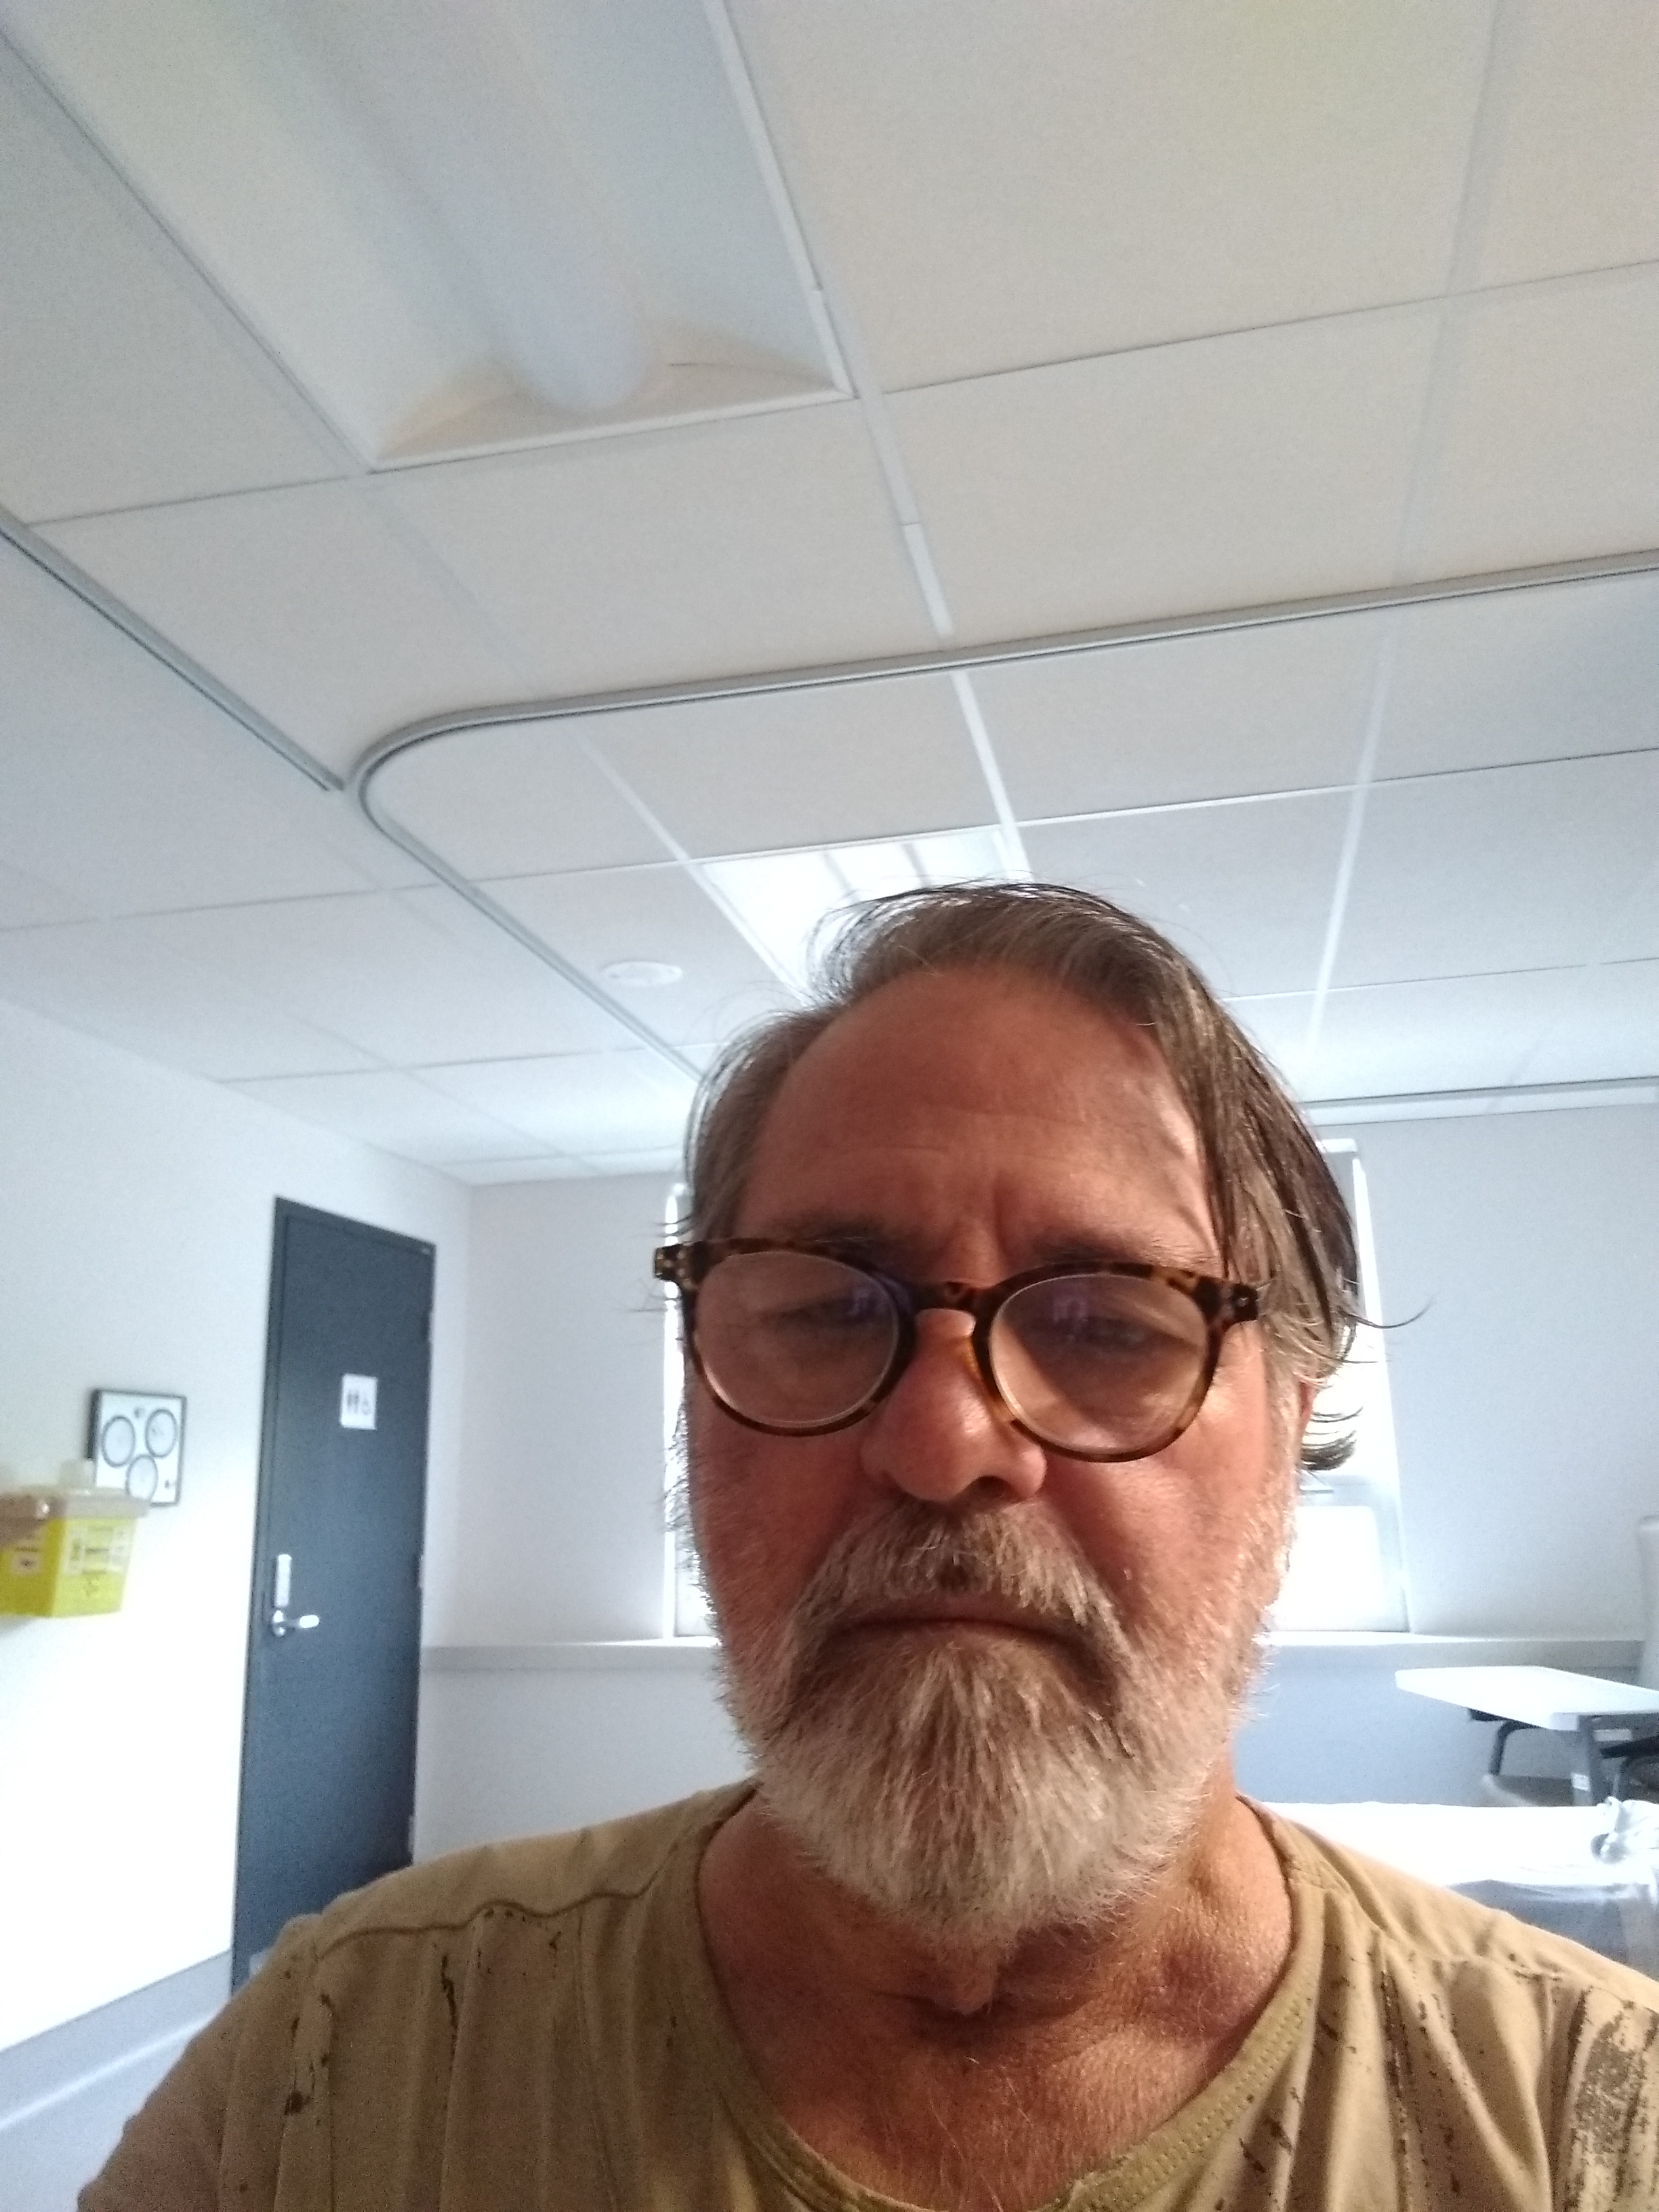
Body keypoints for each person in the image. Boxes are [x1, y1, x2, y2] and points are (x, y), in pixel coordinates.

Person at [85, 884, 1658, 2211]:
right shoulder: (341, 2063)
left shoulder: (1585, 2124)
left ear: (1296, 1420)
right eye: (828, 1311)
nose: (944, 1441)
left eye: (1109, 1324)